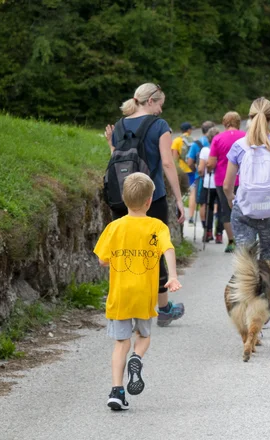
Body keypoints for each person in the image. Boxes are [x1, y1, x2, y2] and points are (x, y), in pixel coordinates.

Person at [94, 173, 182, 411]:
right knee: (143, 337)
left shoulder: (114, 227)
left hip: (120, 295)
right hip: (144, 295)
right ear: (149, 200)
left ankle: (116, 391)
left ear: (123, 199)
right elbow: (168, 250)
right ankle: (138, 358)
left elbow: (102, 260)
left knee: (121, 342)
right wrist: (172, 276)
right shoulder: (157, 226)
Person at [104, 83, 185, 327]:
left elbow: (116, 158)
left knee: (125, 251)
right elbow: (168, 164)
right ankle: (163, 309)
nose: (161, 110)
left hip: (122, 197)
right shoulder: (160, 126)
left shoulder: (119, 125)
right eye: (160, 104)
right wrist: (180, 199)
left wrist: (111, 143)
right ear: (150, 100)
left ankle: (125, 305)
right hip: (153, 197)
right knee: (155, 249)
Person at [223, 97, 270, 261]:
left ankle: (243, 286)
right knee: (267, 265)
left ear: (250, 117)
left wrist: (232, 200)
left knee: (246, 265)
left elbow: (226, 185)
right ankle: (265, 284)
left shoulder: (239, 145)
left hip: (244, 210)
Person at [207, 112, 245, 252]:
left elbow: (211, 162)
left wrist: (208, 167)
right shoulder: (246, 136)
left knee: (226, 209)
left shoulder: (217, 138)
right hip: (243, 178)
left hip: (223, 179)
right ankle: (246, 239)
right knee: (245, 208)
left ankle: (231, 241)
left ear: (224, 123)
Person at [187, 120, 216, 234]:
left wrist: (196, 171)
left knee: (203, 202)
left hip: (201, 176)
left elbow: (190, 161)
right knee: (216, 203)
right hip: (216, 176)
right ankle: (216, 230)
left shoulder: (197, 144)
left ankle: (206, 230)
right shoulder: (216, 142)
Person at [196, 125, 222, 243]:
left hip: (208, 183)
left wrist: (201, 172)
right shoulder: (223, 150)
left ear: (208, 139)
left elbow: (201, 169)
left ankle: (208, 232)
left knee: (207, 207)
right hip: (221, 182)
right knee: (221, 208)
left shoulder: (205, 150)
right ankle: (219, 234)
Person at [172, 122, 197, 224]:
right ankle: (191, 217)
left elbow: (174, 159)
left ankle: (178, 215)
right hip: (191, 171)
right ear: (189, 130)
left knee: (179, 194)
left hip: (181, 172)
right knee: (192, 193)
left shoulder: (176, 141)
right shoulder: (193, 141)